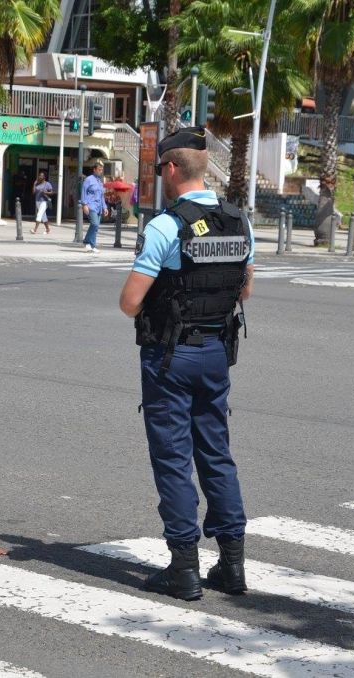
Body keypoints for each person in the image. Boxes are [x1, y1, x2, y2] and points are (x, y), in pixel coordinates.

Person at [118, 126, 255, 601]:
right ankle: (232, 565)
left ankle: (183, 569)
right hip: (217, 351)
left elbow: (130, 303)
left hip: (170, 355)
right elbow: (245, 289)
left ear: (172, 169)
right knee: (215, 452)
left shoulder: (165, 226)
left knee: (174, 458)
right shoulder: (240, 221)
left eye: (160, 168)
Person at [81, 160, 108, 252]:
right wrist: (84, 205)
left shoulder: (99, 181)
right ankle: (87, 242)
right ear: (94, 170)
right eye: (99, 170)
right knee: (94, 223)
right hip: (91, 205)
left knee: (96, 227)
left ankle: (92, 245)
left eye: (101, 170)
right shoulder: (89, 179)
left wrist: (104, 207)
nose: (101, 171)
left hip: (99, 207)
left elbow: (102, 195)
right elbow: (84, 192)